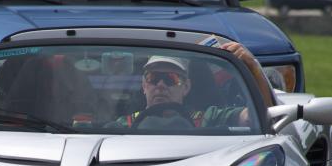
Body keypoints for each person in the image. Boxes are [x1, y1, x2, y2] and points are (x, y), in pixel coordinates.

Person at [114, 42, 274, 129]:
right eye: (154, 78)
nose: (161, 85)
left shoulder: (208, 118)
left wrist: (253, 67)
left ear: (186, 87)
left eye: (171, 78)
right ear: (144, 86)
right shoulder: (124, 124)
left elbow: (258, 116)